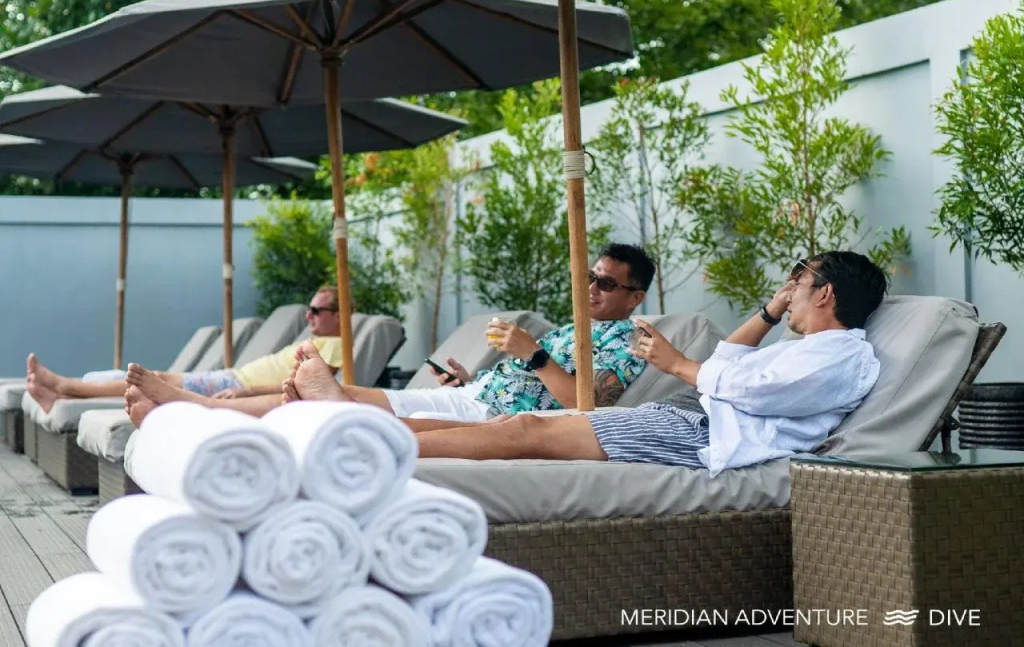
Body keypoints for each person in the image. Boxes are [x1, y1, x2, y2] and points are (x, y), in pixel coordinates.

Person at [289, 251, 886, 476]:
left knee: (525, 431)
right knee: (511, 425)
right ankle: (357, 429)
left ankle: (366, 444)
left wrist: (678, 364)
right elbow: (732, 360)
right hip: (692, 422)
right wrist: (769, 310)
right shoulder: (804, 349)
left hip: (706, 439)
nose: (790, 290)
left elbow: (748, 390)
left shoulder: (842, 356)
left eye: (799, 282)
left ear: (826, 294)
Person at [283, 243, 657, 423]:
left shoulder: (628, 341)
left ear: (635, 297)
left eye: (606, 284)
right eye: (590, 277)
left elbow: (589, 404)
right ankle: (322, 402)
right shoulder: (575, 328)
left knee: (368, 408)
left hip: (498, 416)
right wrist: (467, 380)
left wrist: (534, 354)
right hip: (476, 395)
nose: (591, 288)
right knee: (351, 395)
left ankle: (331, 409)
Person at [27, 286, 343, 415]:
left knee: (156, 379)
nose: (308, 316)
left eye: (316, 310)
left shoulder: (336, 347)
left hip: (237, 386)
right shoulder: (315, 341)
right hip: (233, 378)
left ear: (339, 315)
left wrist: (246, 391)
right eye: (308, 310)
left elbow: (313, 387)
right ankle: (62, 392)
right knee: (156, 379)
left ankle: (63, 387)